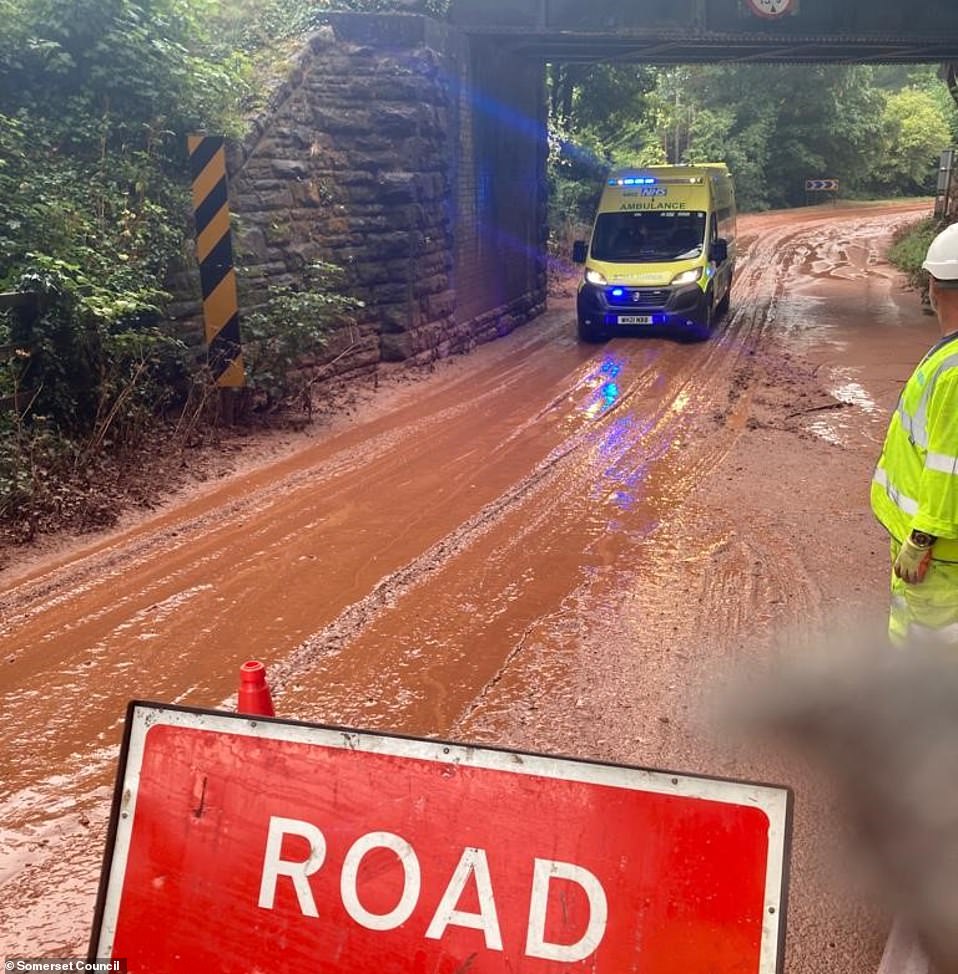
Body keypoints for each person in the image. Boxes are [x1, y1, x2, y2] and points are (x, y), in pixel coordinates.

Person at [870, 221, 958, 645]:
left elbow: (950, 470)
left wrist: (920, 541)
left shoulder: (956, 372)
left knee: (928, 666)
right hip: (939, 554)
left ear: (933, 286)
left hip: (941, 558)